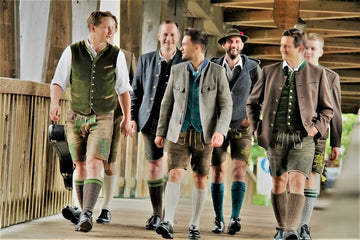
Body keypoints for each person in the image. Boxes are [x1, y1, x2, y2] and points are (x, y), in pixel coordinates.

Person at [246, 28, 333, 240]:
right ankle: (282, 227)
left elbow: (327, 110)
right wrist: (257, 129)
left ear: (300, 48)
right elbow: (252, 103)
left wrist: (315, 129)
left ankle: (292, 230)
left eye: (286, 46)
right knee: (278, 183)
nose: (281, 49)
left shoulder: (318, 74)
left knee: (296, 180)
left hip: (303, 138)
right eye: (281, 45)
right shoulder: (269, 71)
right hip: (275, 138)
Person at [49, 10, 132, 232]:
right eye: (107, 27)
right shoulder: (72, 51)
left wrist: (126, 117)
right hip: (75, 116)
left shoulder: (117, 55)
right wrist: (55, 103)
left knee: (95, 161)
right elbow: (58, 81)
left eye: (113, 28)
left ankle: (86, 213)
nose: (111, 32)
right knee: (81, 165)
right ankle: (83, 211)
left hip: (103, 117)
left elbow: (123, 89)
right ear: (93, 28)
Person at [154, 27, 232, 239]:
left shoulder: (217, 73)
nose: (181, 47)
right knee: (174, 173)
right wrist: (161, 131)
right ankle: (167, 220)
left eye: (184, 43)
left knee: (200, 178)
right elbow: (166, 103)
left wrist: (220, 132)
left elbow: (226, 106)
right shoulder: (178, 70)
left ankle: (194, 224)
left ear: (196, 47)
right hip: (178, 132)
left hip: (205, 135)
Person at [130, 20, 182, 230]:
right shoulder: (145, 60)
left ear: (177, 37)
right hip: (150, 121)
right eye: (165, 35)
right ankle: (156, 214)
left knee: (169, 168)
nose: (169, 39)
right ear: (159, 36)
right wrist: (133, 118)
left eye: (172, 35)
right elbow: (136, 92)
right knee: (153, 167)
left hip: (175, 123)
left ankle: (167, 215)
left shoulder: (186, 61)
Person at [210, 28, 261, 235]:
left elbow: (261, 96)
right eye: (230, 42)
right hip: (217, 128)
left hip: (242, 126)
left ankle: (235, 217)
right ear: (223, 45)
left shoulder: (253, 67)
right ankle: (219, 219)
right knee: (218, 171)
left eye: (238, 42)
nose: (234, 45)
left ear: (242, 45)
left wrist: (253, 120)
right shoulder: (212, 66)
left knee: (239, 170)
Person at [298, 32, 342, 240]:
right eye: (306, 47)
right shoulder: (292, 72)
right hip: (294, 135)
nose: (308, 51)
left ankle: (303, 225)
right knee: (293, 178)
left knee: (312, 175)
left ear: (321, 52)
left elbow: (336, 112)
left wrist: (337, 143)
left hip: (318, 138)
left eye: (313, 48)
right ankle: (289, 223)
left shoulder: (332, 77)